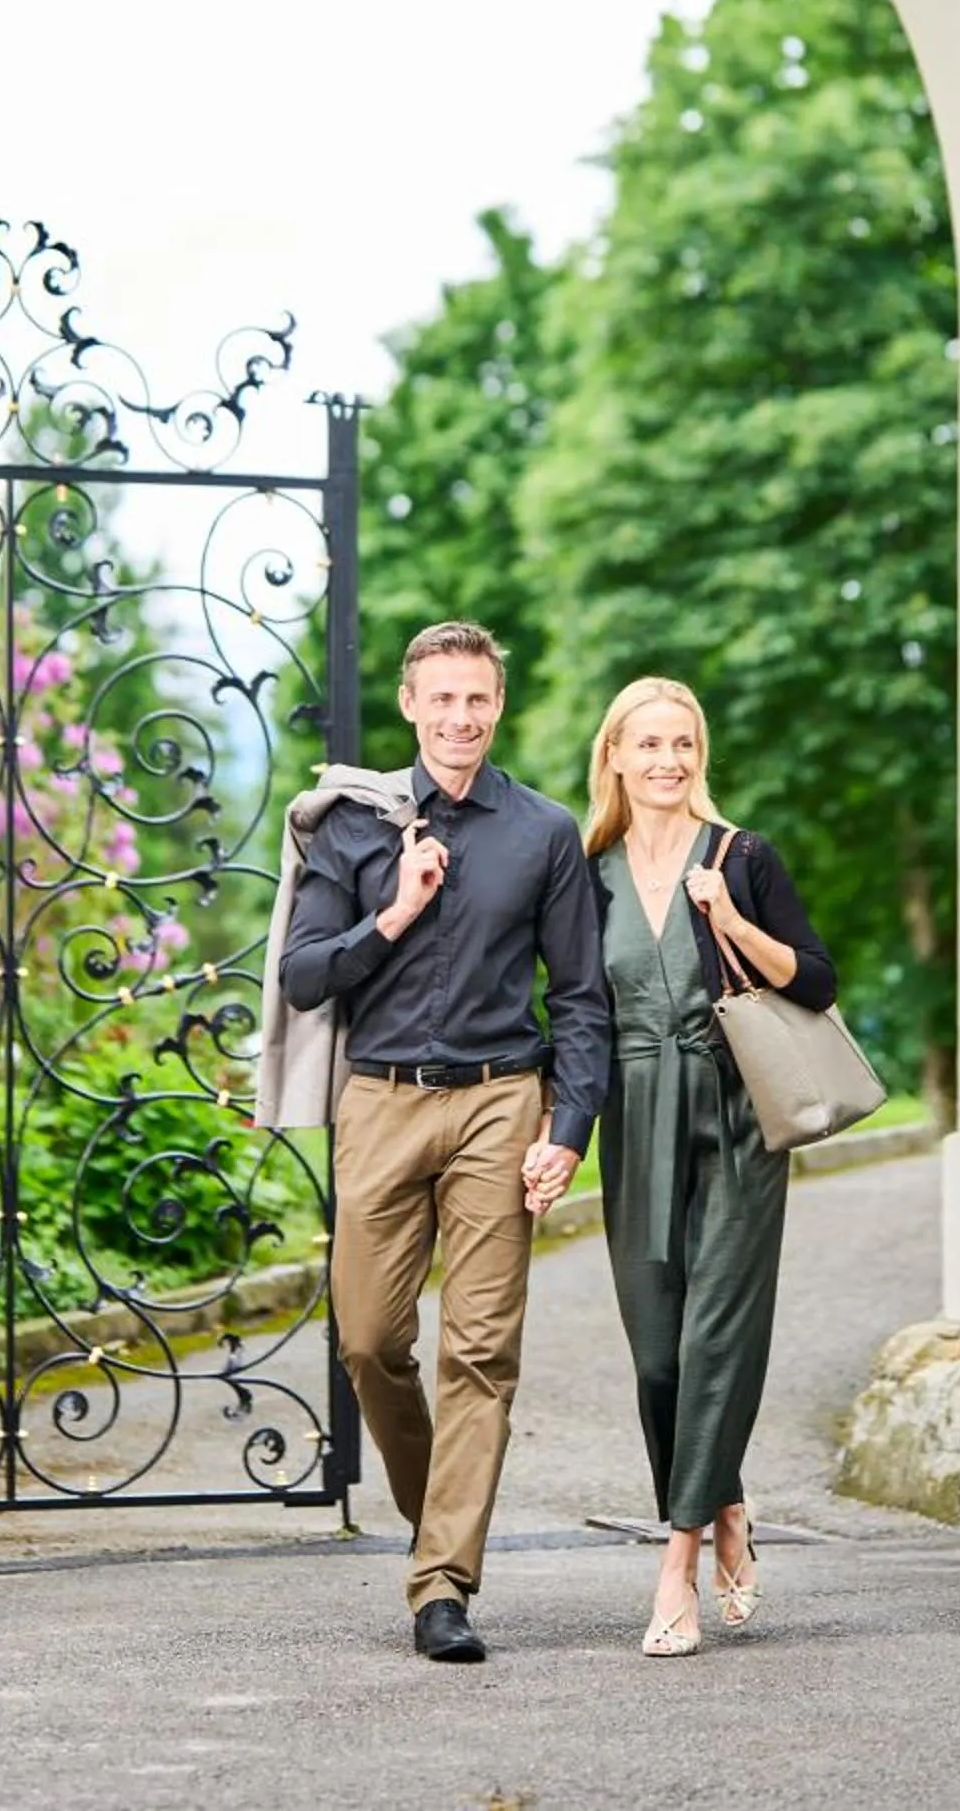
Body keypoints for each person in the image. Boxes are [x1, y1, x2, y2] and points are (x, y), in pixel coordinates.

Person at [278, 619, 610, 1664]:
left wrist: (567, 1129)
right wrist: (392, 913)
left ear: (495, 705)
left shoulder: (543, 833)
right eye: (441, 699)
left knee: (479, 1350)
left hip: (497, 1102)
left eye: (477, 699)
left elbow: (583, 1000)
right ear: (410, 705)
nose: (460, 717)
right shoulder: (352, 827)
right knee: (370, 1341)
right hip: (377, 1101)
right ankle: (441, 1525)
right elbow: (299, 974)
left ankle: (442, 1585)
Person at [528, 675, 833, 1657]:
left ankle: (676, 1561)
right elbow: (572, 1011)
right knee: (658, 1352)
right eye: (647, 744)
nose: (666, 762)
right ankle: (725, 1503)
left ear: (699, 757)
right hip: (636, 1118)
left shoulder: (741, 857)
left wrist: (731, 922)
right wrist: (556, 1126)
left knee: (714, 1341)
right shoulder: (584, 872)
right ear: (611, 754)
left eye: (682, 745)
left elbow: (817, 978)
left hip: (735, 1117)